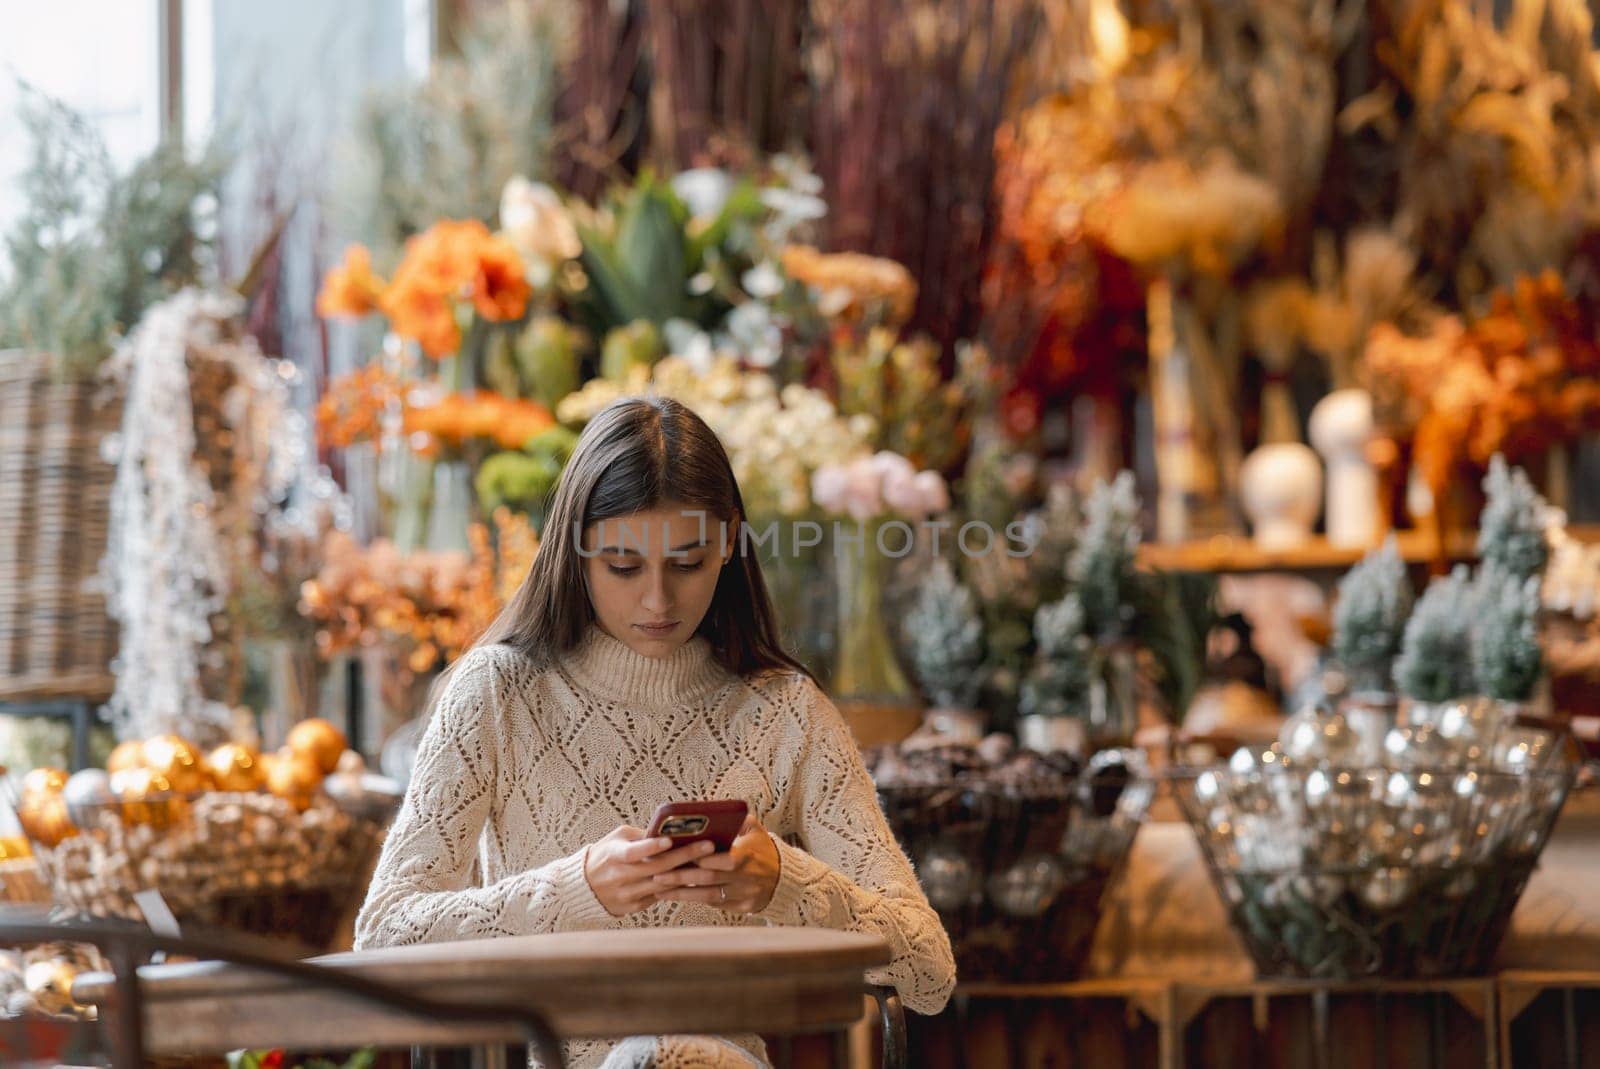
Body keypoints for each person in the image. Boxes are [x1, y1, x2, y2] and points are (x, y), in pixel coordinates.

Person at [354, 396, 957, 1068]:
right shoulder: (497, 693)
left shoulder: (785, 710)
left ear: (729, 541)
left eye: (688, 561)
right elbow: (383, 937)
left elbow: (928, 969)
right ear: (576, 549)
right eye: (622, 565)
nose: (658, 601)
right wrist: (578, 888)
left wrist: (785, 880)